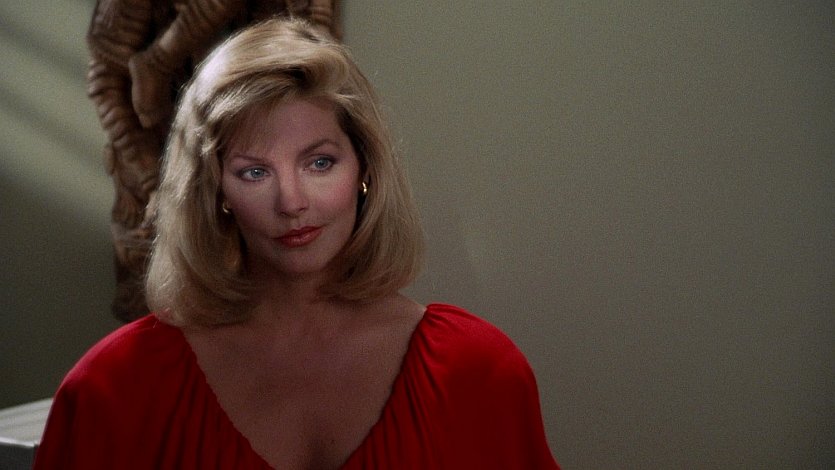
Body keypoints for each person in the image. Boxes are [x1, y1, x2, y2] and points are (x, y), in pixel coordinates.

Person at [34, 17, 559, 469]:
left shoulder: (479, 372)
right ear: (216, 192)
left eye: (319, 162)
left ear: (365, 169)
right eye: (254, 171)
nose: (291, 202)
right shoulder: (113, 389)